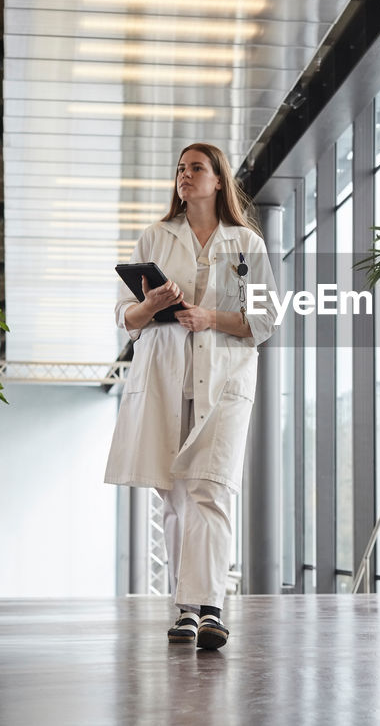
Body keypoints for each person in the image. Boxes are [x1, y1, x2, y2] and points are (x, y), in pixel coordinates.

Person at [104, 142, 277, 648]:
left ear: (219, 179)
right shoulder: (156, 238)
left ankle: (210, 609)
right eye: (180, 169)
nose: (185, 176)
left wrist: (210, 318)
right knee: (176, 498)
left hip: (225, 382)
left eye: (195, 168)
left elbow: (263, 320)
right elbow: (125, 318)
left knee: (212, 490)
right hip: (164, 379)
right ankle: (186, 610)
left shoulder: (247, 243)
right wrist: (151, 302)